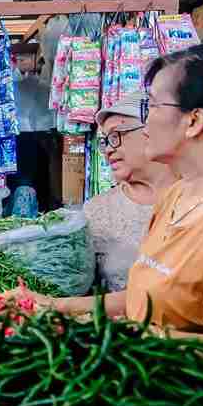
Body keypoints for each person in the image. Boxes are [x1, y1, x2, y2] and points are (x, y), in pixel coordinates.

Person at [31, 42, 203, 370]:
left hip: (201, 394)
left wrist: (142, 338)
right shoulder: (177, 195)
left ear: (194, 121)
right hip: (146, 378)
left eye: (153, 106)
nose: (145, 124)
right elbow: (148, 298)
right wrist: (56, 306)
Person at [83, 93, 177, 291]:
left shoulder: (198, 198)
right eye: (105, 141)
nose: (108, 149)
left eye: (116, 135)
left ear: (150, 131)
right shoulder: (97, 210)